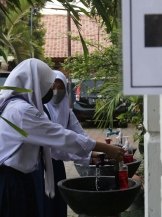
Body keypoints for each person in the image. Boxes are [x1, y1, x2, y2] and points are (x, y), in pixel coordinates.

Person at [0, 59, 124, 217]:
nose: (51, 91)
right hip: (11, 184)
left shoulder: (17, 107)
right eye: (48, 86)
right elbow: (62, 137)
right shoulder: (21, 111)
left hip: (20, 180)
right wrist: (105, 148)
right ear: (35, 84)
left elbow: (56, 148)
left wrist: (91, 155)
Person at [34, 70, 98, 217]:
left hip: (56, 167)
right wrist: (90, 154)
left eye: (61, 87)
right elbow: (56, 148)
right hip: (41, 167)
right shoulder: (40, 111)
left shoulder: (67, 112)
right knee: (45, 208)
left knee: (59, 206)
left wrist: (96, 150)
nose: (57, 91)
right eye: (53, 87)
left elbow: (81, 136)